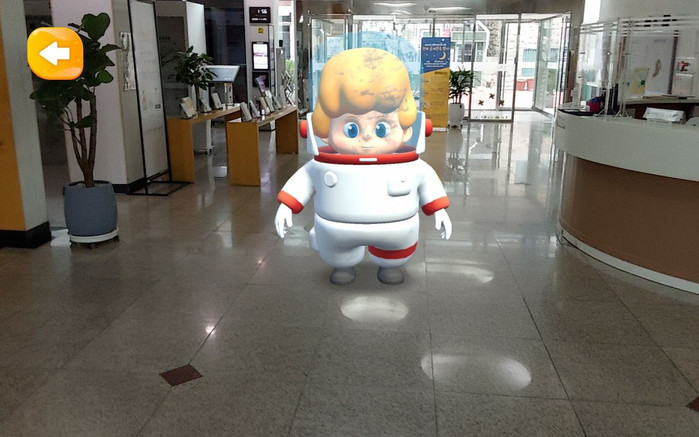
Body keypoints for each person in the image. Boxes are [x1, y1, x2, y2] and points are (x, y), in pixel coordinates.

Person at [274, 47, 451, 285]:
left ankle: (390, 264)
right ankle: (343, 265)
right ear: (325, 131)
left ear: (406, 129)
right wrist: (287, 206)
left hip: (396, 227)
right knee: (338, 253)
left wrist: (439, 209)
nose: (367, 137)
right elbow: (302, 182)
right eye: (351, 128)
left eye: (381, 128)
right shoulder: (320, 166)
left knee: (395, 253)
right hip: (337, 228)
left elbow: (428, 183)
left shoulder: (412, 167)